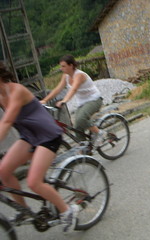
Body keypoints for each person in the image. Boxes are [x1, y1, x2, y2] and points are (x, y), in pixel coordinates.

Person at [0, 62, 79, 233]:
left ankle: (68, 210)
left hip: (47, 135)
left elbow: (6, 122)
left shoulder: (16, 90)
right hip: (29, 137)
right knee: (4, 170)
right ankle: (24, 211)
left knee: (33, 182)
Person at [40, 55, 104, 146]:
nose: (61, 69)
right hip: (82, 103)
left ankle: (99, 133)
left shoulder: (79, 75)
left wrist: (64, 101)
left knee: (80, 119)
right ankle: (85, 149)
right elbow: (57, 89)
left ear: (71, 65)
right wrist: (44, 100)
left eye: (63, 66)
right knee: (77, 127)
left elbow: (73, 89)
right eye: (61, 66)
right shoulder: (65, 76)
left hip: (94, 99)